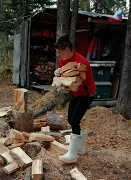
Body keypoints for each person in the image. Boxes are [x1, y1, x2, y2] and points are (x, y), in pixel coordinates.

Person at [54, 34, 97, 164]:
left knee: (74, 120)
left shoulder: (82, 62)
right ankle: (81, 148)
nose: (58, 55)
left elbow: (80, 84)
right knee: (70, 119)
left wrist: (67, 86)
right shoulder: (63, 61)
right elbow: (65, 79)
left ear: (67, 49)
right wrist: (60, 79)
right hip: (76, 93)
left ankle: (72, 154)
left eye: (60, 52)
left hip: (87, 94)